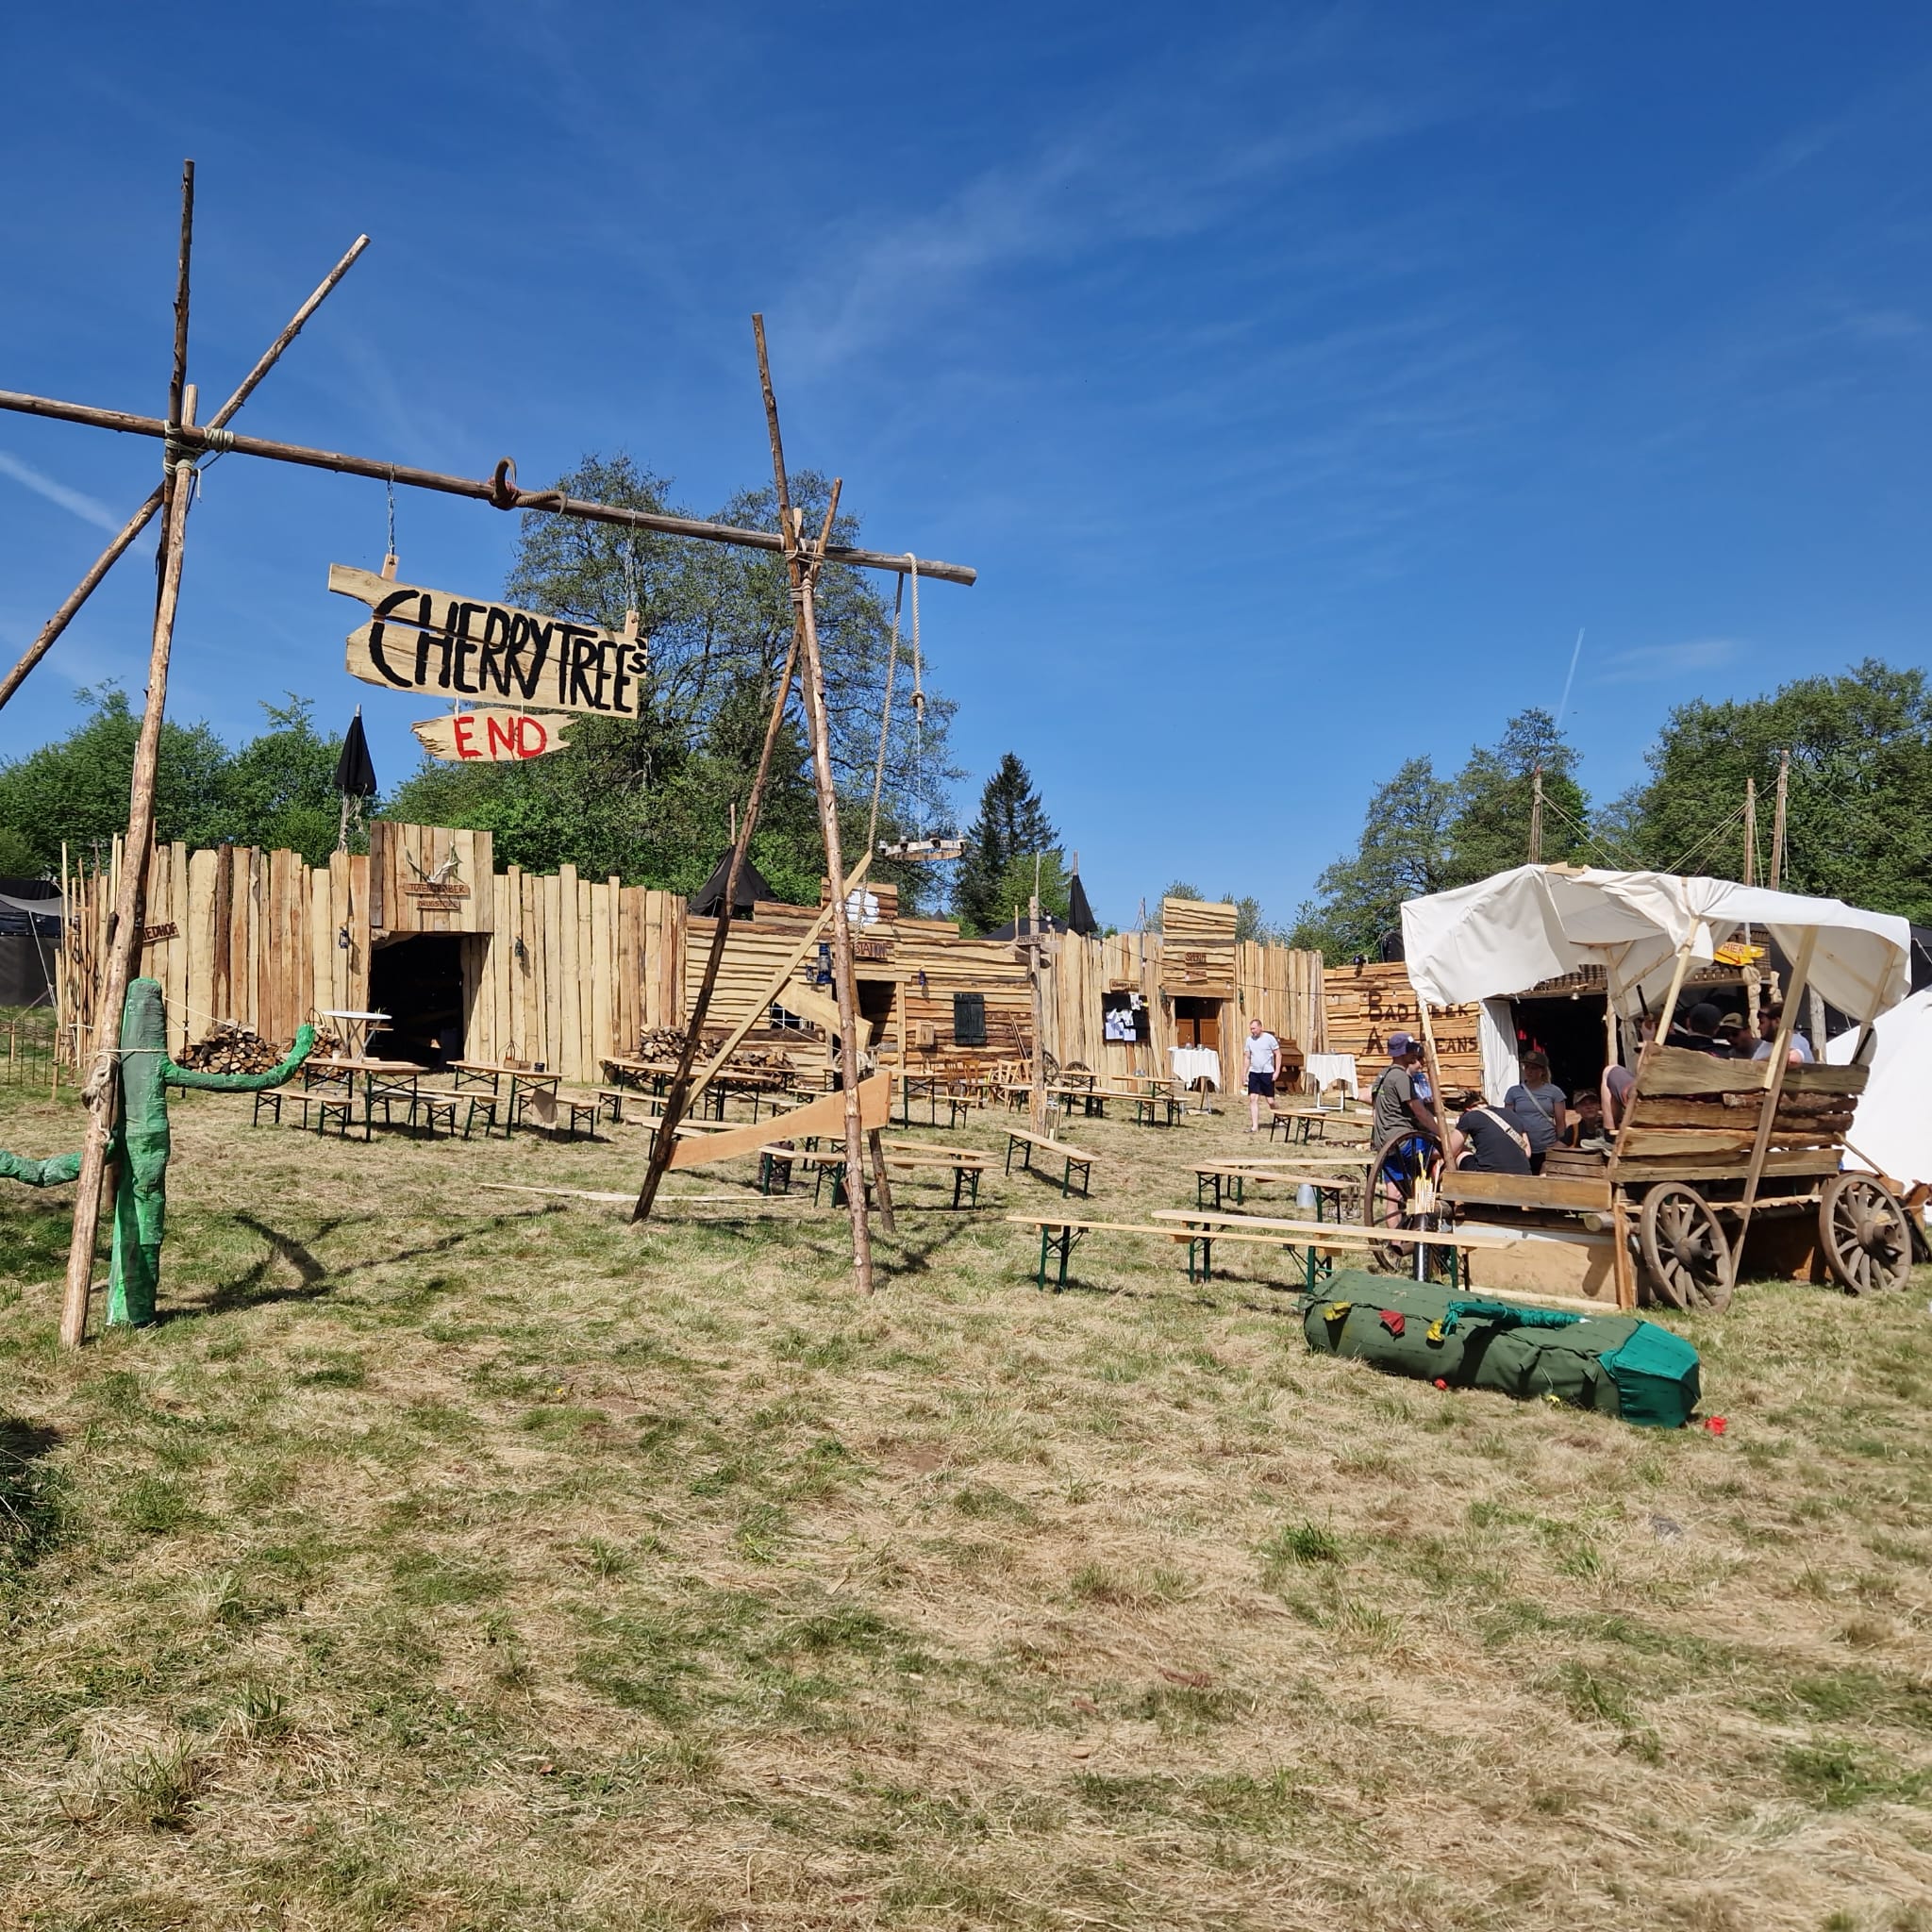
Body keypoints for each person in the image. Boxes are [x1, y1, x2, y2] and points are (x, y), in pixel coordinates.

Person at [1371, 1032, 1440, 1228]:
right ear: (1402, 1053)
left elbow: (1374, 1109)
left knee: (1393, 1195)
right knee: (1443, 1153)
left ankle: (1396, 1241)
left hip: (1386, 1143)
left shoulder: (1382, 1075)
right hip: (1404, 1140)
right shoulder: (1401, 1077)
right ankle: (1426, 1212)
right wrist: (1441, 1134)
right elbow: (1420, 1112)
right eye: (1411, 1051)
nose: (1414, 1055)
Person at [1504, 1050, 1566, 1171]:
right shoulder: (1514, 1091)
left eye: (1533, 1068)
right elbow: (1508, 1120)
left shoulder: (1554, 1092)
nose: (1529, 1071)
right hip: (1522, 1146)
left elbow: (1560, 1123)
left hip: (1547, 1147)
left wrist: (1560, 1148)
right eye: (1526, 1067)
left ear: (1542, 1071)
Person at [1448, 1091, 1533, 1174]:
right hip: (1523, 1174)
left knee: (1461, 1152)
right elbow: (1528, 1153)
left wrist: (1460, 1128)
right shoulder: (1511, 1113)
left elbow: (1450, 1152)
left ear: (1467, 1110)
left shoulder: (1470, 1116)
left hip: (1487, 1175)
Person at [1242, 1018, 1281, 1133]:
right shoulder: (1249, 1040)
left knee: (1270, 1101)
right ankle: (1255, 1127)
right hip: (1254, 1073)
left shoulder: (1269, 1039)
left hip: (1267, 1073)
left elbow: (1278, 1055)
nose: (1252, 1031)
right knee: (1253, 1098)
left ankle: (1281, 1117)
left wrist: (1277, 1072)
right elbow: (1247, 1057)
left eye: (1254, 1029)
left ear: (1260, 1027)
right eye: (1251, 1029)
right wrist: (1244, 1073)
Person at [1752, 1002, 1816, 1063]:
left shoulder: (1793, 1039)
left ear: (1777, 1021)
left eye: (1762, 1022)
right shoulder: (1766, 1044)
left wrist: (1761, 1063)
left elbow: (1790, 1058)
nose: (1759, 1027)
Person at [1667, 1001, 1731, 1057]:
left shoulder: (1668, 1043)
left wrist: (1672, 1037)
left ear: (1688, 1022)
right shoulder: (1722, 1055)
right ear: (1717, 1029)